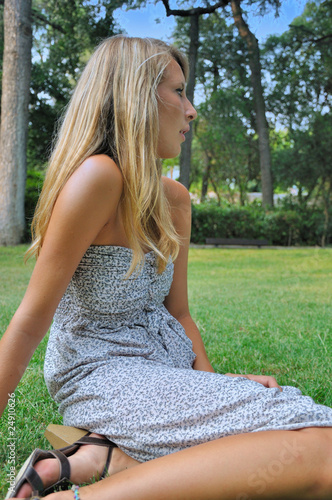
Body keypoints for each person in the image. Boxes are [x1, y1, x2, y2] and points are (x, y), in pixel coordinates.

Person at [1, 35, 332, 500]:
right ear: (135, 97)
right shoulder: (98, 178)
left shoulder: (175, 200)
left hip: (166, 365)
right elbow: (29, 323)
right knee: (323, 452)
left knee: (294, 433)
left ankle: (108, 457)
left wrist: (212, 385)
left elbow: (178, 314)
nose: (191, 110)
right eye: (178, 91)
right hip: (99, 373)